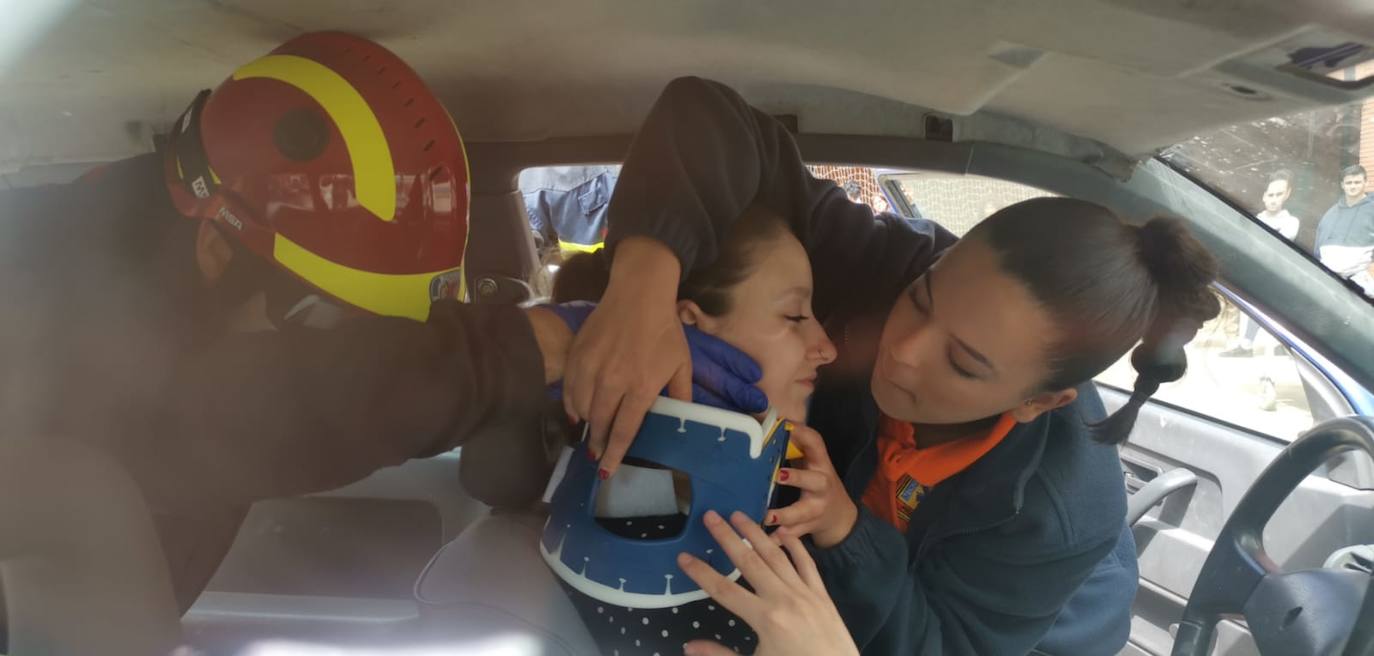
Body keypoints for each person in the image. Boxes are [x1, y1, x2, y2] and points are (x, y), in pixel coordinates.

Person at [559, 77, 1221, 655]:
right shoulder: (885, 265)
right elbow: (707, 116)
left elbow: (944, 646)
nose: (902, 349)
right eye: (921, 297)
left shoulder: (1056, 513)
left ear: (1037, 403)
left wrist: (846, 531)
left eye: (960, 362)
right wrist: (640, 291)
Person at [0, 31, 595, 625]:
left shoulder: (175, 282)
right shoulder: (48, 318)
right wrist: (541, 344)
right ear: (218, 248)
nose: (359, 356)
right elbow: (285, 404)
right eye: (336, 331)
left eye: (383, 335)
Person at [544, 203, 838, 654]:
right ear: (691, 327)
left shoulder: (782, 482)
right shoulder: (636, 513)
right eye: (795, 316)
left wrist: (840, 524)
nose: (827, 348)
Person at [1221, 169, 1301, 357]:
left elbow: (1277, 244)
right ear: (1264, 196)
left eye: (1279, 194)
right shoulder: (1256, 220)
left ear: (1287, 194)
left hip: (1279, 273)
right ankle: (1246, 345)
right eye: (1271, 195)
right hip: (1259, 272)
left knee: (1279, 311)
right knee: (1254, 308)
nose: (1274, 199)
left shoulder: (1291, 221)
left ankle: (1282, 345)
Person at [1314, 164, 1374, 296]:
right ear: (1342, 185)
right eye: (1349, 183)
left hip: (1358, 281)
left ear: (1366, 183)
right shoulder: (1331, 213)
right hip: (1328, 279)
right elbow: (1318, 247)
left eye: (1357, 182)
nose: (1353, 186)